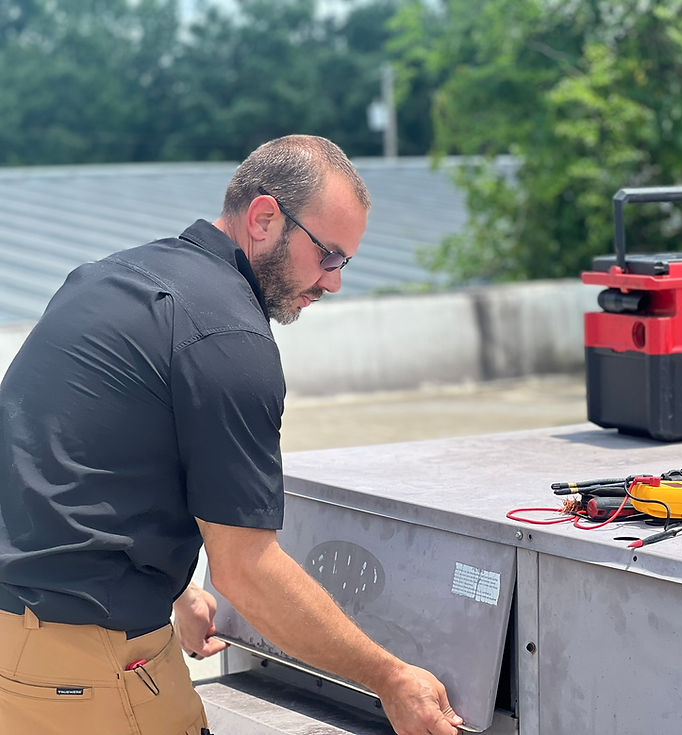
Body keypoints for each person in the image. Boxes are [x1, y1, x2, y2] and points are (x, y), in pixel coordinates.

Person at [0, 135, 463, 735]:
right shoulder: (227, 336)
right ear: (265, 217)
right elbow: (246, 570)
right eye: (329, 256)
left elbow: (66, 468)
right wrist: (392, 679)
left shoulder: (105, 281)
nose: (334, 282)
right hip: (86, 669)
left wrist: (174, 590)